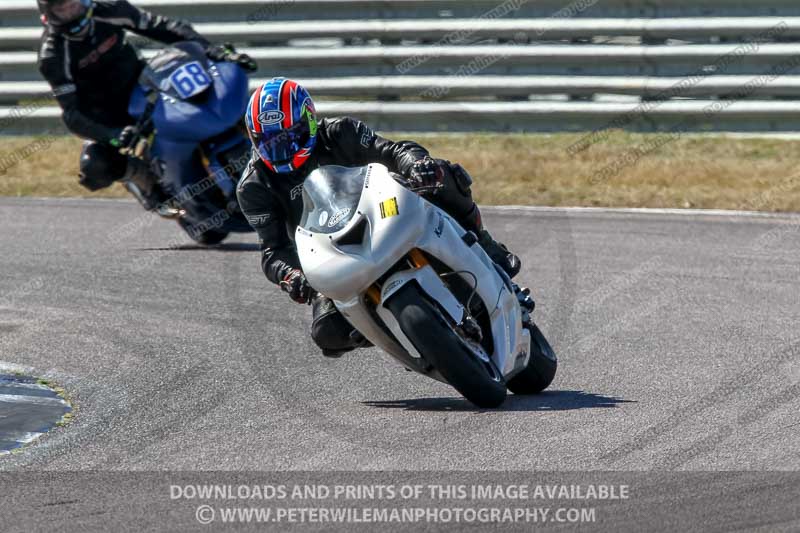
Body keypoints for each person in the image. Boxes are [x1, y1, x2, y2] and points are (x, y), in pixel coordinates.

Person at [237, 78, 522, 357]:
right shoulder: (254, 186)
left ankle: (486, 246)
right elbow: (273, 250)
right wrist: (291, 275)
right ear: (253, 138)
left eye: (290, 136)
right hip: (331, 253)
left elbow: (393, 151)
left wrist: (417, 164)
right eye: (271, 142)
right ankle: (396, 332)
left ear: (310, 120)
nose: (282, 149)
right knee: (328, 332)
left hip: (385, 212)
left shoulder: (341, 132)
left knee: (444, 175)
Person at [37, 0, 257, 208]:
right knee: (96, 165)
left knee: (203, 90)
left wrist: (211, 50)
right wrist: (112, 134)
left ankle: (262, 145)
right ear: (49, 15)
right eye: (63, 8)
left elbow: (164, 27)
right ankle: (142, 180)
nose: (72, 11)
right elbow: (71, 114)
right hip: (105, 113)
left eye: (74, 3)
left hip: (140, 85)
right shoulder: (52, 54)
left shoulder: (109, 9)